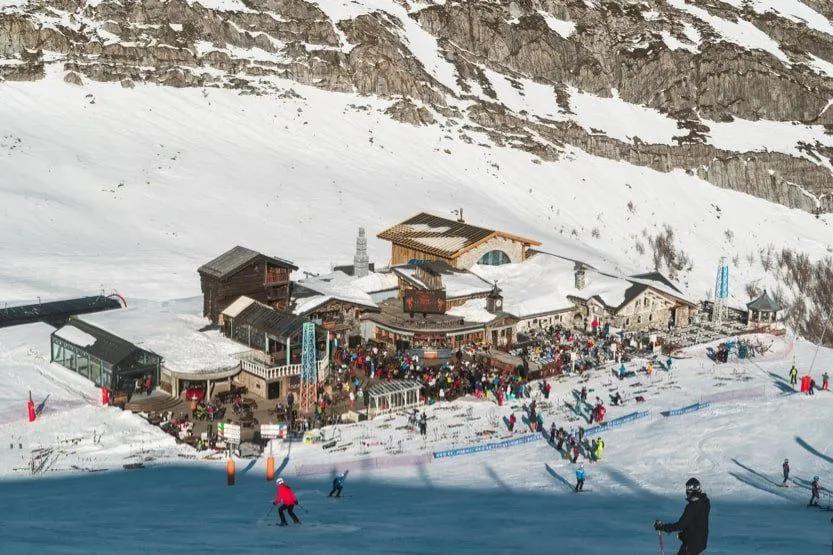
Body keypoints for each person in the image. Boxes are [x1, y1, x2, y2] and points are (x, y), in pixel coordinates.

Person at [654, 478, 710, 555]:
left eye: (688, 488)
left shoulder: (692, 507)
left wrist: (663, 527)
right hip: (701, 542)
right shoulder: (705, 503)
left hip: (692, 546)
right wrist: (684, 535)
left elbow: (681, 525)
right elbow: (697, 522)